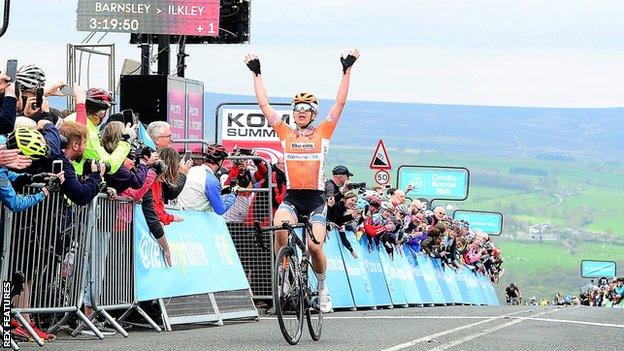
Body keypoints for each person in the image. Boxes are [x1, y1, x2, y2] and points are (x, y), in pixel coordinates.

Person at [245, 49, 359, 313]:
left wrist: (346, 72)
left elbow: (340, 104)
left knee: (313, 246)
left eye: (306, 109)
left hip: (317, 200)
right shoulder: (285, 133)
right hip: (294, 197)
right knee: (279, 229)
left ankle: (321, 286)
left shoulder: (323, 133)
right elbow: (264, 105)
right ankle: (284, 274)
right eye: (297, 109)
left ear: (314, 113)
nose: (301, 112)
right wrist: (256, 74)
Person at [177, 144, 237, 214]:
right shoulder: (211, 180)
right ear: (220, 162)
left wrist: (223, 192)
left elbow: (200, 193)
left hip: (181, 215)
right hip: (198, 219)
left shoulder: (191, 170)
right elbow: (220, 210)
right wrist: (233, 195)